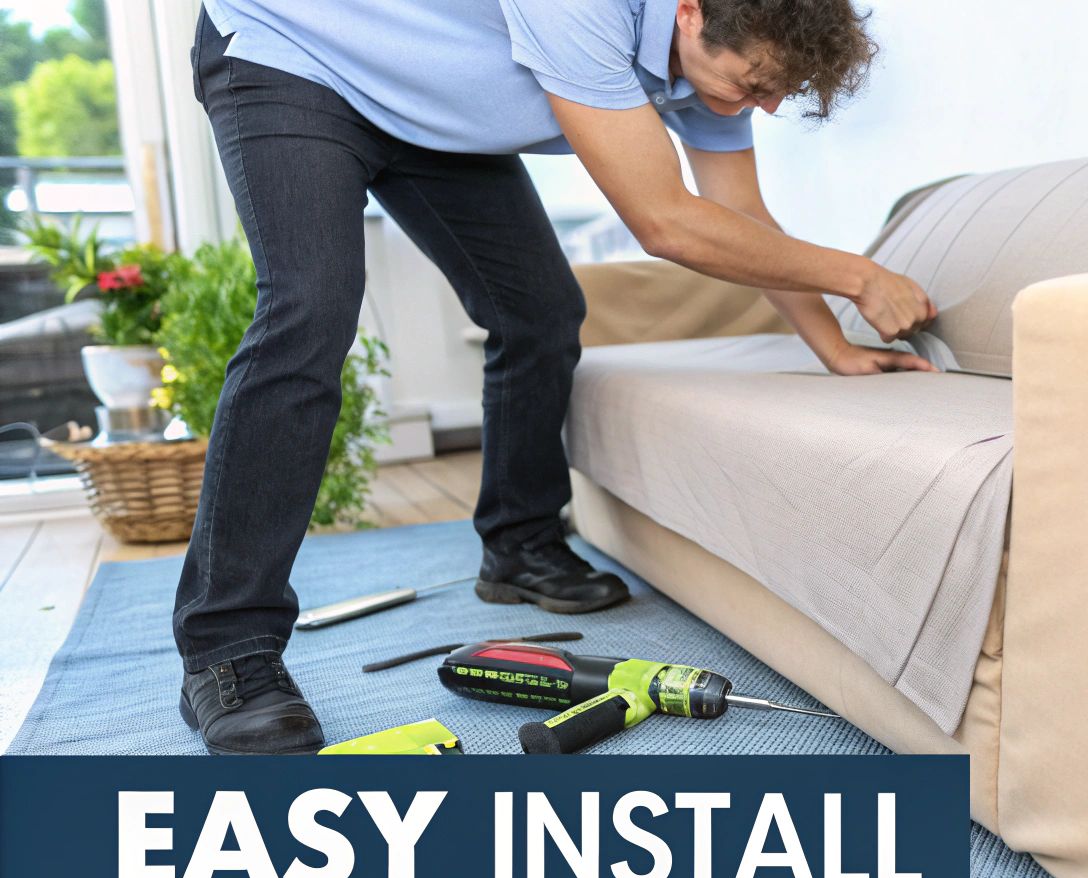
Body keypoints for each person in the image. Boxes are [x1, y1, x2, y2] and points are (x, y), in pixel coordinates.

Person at [175, 0, 937, 754]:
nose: (765, 106)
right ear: (690, 13)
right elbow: (665, 221)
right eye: (758, 82)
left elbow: (740, 214)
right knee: (309, 309)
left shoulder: (710, 65)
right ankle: (227, 648)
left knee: (537, 310)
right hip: (296, 52)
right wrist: (857, 274)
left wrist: (832, 345)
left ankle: (520, 544)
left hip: (428, 109)